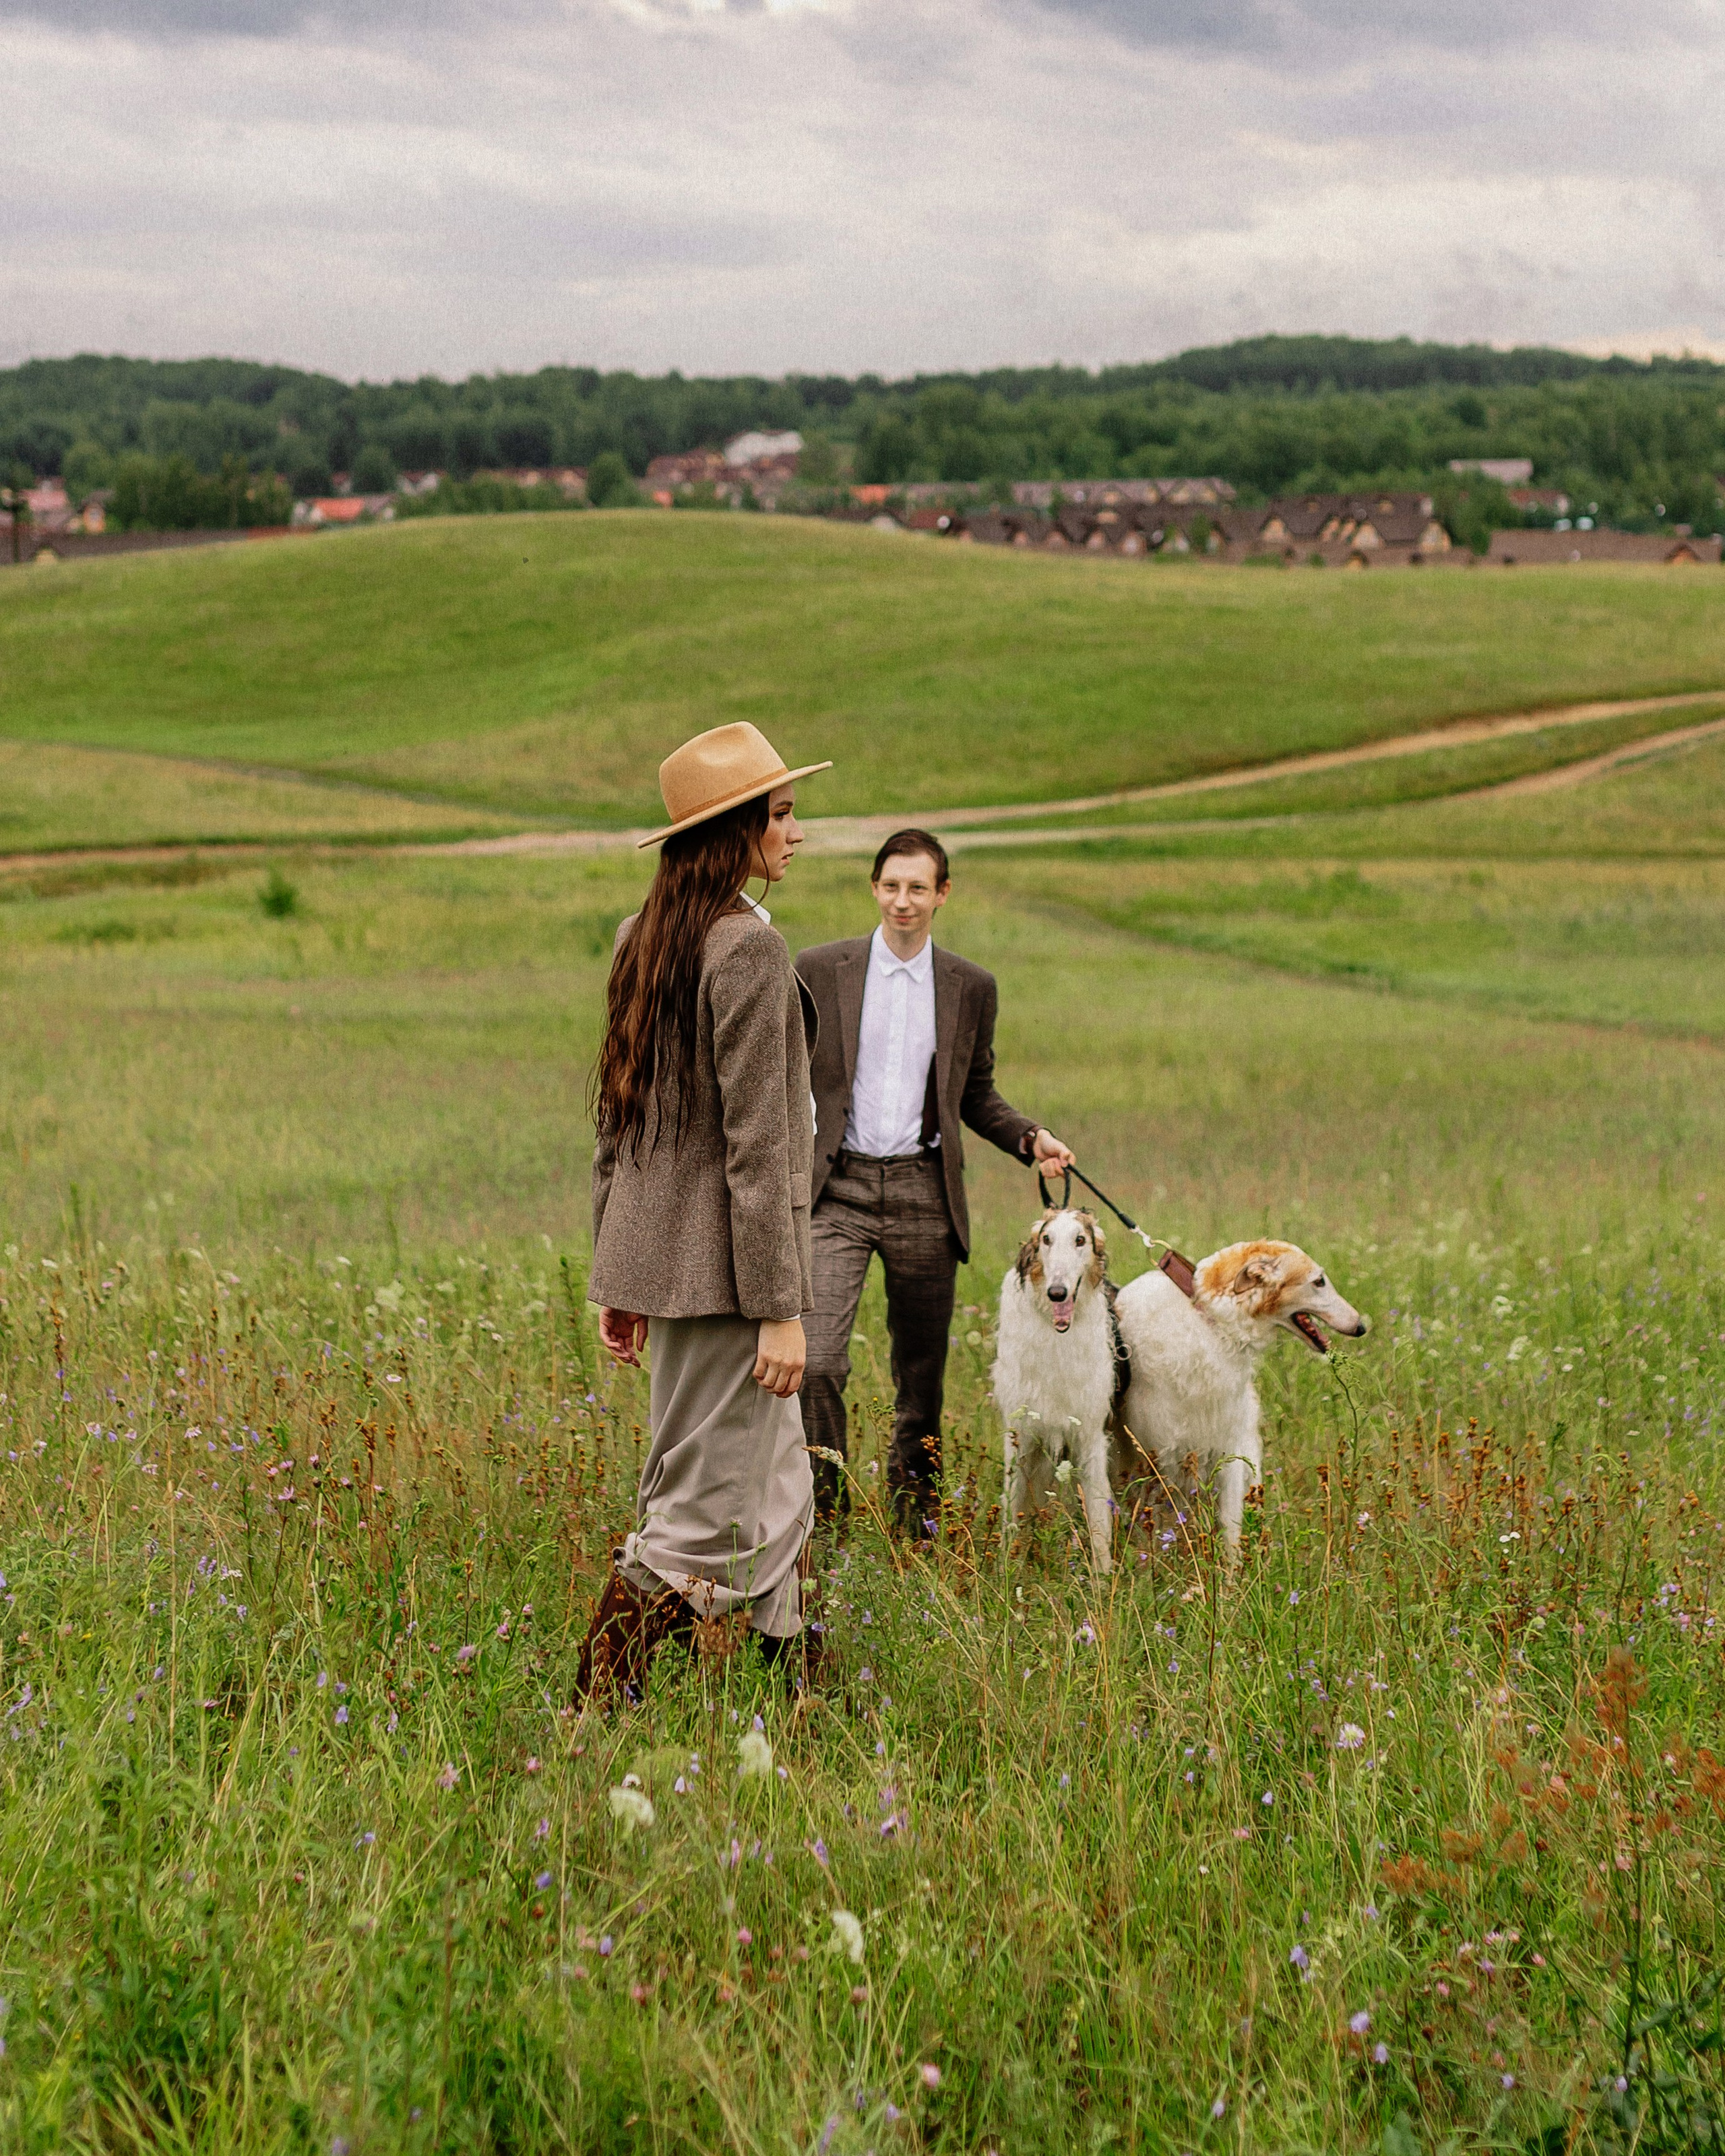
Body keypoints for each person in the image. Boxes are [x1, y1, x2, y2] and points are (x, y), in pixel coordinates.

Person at [575, 720, 831, 1705]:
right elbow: (762, 1149)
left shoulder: (642, 938)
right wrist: (781, 1304)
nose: (796, 832)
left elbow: (618, 1124)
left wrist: (618, 1271)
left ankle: (805, 1706)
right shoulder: (746, 954)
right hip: (731, 1285)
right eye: (780, 814)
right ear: (733, 833)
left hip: (668, 1269)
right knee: (693, 1513)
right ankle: (596, 1706)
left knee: (779, 1492)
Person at [796, 829, 1074, 1531]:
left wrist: (1028, 1137)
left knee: (919, 1377)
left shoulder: (969, 986)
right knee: (818, 1357)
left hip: (924, 1189)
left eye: (918, 887)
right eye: (891, 885)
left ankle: (912, 1523)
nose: (902, 900)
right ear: (873, 887)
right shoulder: (818, 969)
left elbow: (975, 1093)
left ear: (942, 894)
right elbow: (783, 1075)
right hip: (837, 1189)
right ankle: (817, 1516)